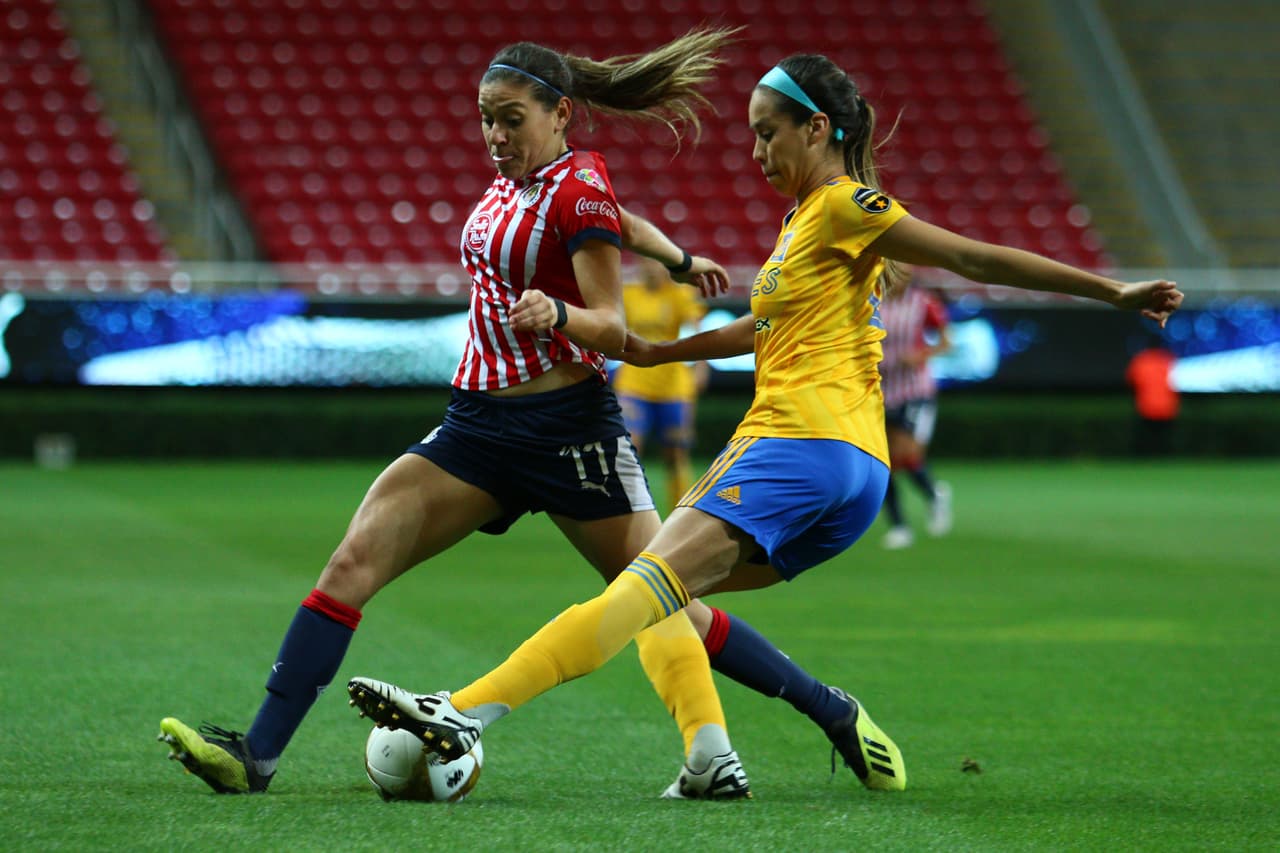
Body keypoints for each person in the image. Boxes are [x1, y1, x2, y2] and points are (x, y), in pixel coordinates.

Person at [345, 52, 1184, 794]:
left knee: (639, 591)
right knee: (659, 603)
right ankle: (812, 719)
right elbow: (762, 328)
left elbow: (968, 254)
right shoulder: (805, 230)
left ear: (817, 128)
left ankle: (459, 712)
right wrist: (652, 348)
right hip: (854, 475)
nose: (755, 154)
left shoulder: (846, 206)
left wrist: (1111, 291)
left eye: (767, 134)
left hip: (797, 445)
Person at [158, 33, 882, 801]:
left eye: (510, 120)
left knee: (659, 595)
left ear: (560, 113)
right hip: (474, 430)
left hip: (571, 434)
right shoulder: (529, 187)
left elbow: (608, 320)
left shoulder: (577, 190)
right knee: (350, 565)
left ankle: (811, 711)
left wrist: (560, 310)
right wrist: (677, 257)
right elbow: (623, 223)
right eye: (485, 121)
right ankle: (256, 756)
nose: (495, 137)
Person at [612, 256, 709, 512]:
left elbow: (698, 329)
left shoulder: (680, 295)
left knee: (676, 453)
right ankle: (628, 509)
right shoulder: (628, 294)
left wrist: (700, 366)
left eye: (658, 264)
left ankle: (681, 513)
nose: (653, 269)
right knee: (630, 448)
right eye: (648, 263)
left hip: (673, 385)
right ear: (641, 266)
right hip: (634, 381)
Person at [877, 277, 953, 549]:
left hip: (914, 392)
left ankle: (934, 494)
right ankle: (899, 526)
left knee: (907, 455)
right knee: (882, 462)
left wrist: (920, 356)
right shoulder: (872, 299)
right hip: (880, 391)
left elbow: (946, 341)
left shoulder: (922, 302)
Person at [1125, 332, 1179, 456]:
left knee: (1146, 437)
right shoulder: (1168, 361)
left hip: (1146, 407)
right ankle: (1165, 457)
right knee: (1165, 438)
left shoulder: (1140, 361)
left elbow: (1131, 382)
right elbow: (1177, 382)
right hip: (1167, 407)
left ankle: (1145, 457)